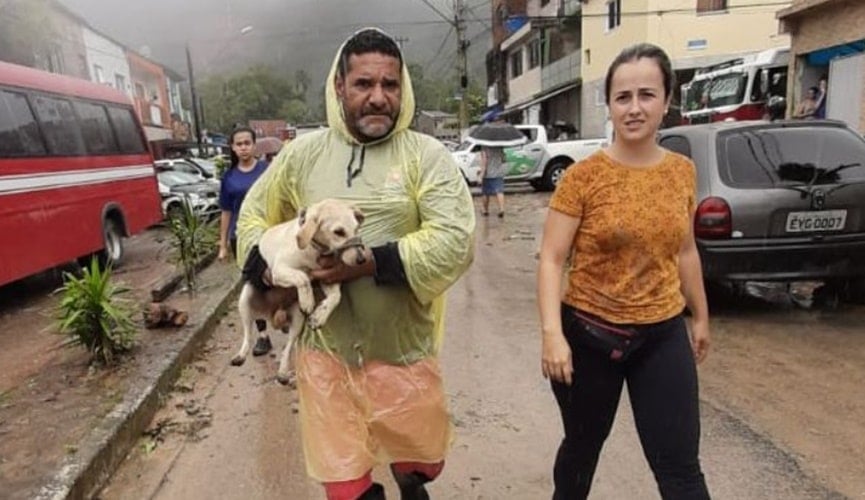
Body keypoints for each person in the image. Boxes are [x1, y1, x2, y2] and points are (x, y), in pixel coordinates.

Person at [236, 28, 475, 500]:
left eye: (390, 85)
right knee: (346, 485)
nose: (378, 97)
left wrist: (366, 263)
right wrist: (269, 276)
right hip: (327, 353)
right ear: (339, 88)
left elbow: (455, 240)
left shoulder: (425, 156)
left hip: (402, 346)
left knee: (421, 463)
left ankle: (410, 483)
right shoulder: (302, 155)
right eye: (364, 84)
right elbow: (255, 217)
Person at [536, 43, 711, 500]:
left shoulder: (682, 172)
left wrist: (701, 317)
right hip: (591, 337)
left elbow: (686, 250)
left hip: (662, 334)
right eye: (623, 97)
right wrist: (553, 334)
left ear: (667, 100)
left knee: (680, 468)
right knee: (582, 449)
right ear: (610, 105)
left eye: (647, 95)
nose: (635, 108)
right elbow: (553, 258)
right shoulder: (584, 177)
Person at [218, 127, 270, 353]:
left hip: (267, 236)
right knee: (253, 286)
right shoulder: (229, 178)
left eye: (247, 143)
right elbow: (226, 212)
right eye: (239, 144)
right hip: (240, 240)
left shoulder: (267, 170)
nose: (243, 147)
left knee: (276, 278)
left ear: (254, 144)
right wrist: (222, 244)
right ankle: (263, 335)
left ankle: (283, 317)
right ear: (232, 147)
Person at [479, 145, 507, 217]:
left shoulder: (484, 147)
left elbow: (484, 162)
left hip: (488, 174)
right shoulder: (499, 146)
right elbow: (504, 159)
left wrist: (481, 175)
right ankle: (501, 209)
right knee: (499, 191)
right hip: (498, 173)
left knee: (485, 193)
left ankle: (485, 210)